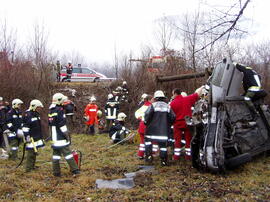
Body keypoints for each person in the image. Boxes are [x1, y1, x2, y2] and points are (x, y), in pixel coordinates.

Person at [48, 93, 79, 177]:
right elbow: (62, 124)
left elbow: (51, 124)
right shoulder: (59, 110)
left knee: (56, 156)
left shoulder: (51, 110)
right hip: (60, 136)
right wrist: (67, 135)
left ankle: (56, 173)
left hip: (54, 137)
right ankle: (75, 170)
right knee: (68, 154)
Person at [170, 87, 204, 160]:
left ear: (175, 94)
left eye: (173, 94)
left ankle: (176, 157)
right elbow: (196, 95)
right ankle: (188, 156)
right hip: (187, 122)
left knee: (177, 141)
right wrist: (202, 87)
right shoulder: (187, 99)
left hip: (177, 124)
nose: (172, 96)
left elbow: (171, 115)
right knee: (188, 140)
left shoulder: (172, 103)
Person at [144, 90, 175, 166]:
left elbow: (147, 115)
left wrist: (146, 123)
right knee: (163, 146)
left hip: (151, 130)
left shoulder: (152, 105)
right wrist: (168, 124)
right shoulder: (168, 106)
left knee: (148, 142)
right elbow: (173, 117)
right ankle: (163, 161)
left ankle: (149, 157)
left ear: (155, 98)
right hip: (163, 132)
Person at [22, 100, 45, 172]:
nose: (40, 109)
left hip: (36, 136)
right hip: (31, 137)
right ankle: (28, 169)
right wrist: (27, 136)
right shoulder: (28, 115)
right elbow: (25, 128)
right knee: (31, 153)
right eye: (38, 108)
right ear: (34, 107)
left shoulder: (35, 114)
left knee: (35, 152)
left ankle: (32, 166)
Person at [135, 94, 151, 159]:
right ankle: (150, 154)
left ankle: (140, 154)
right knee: (150, 142)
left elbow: (136, 114)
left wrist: (140, 118)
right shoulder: (151, 107)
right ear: (149, 100)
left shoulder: (143, 107)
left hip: (141, 126)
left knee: (142, 142)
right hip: (148, 126)